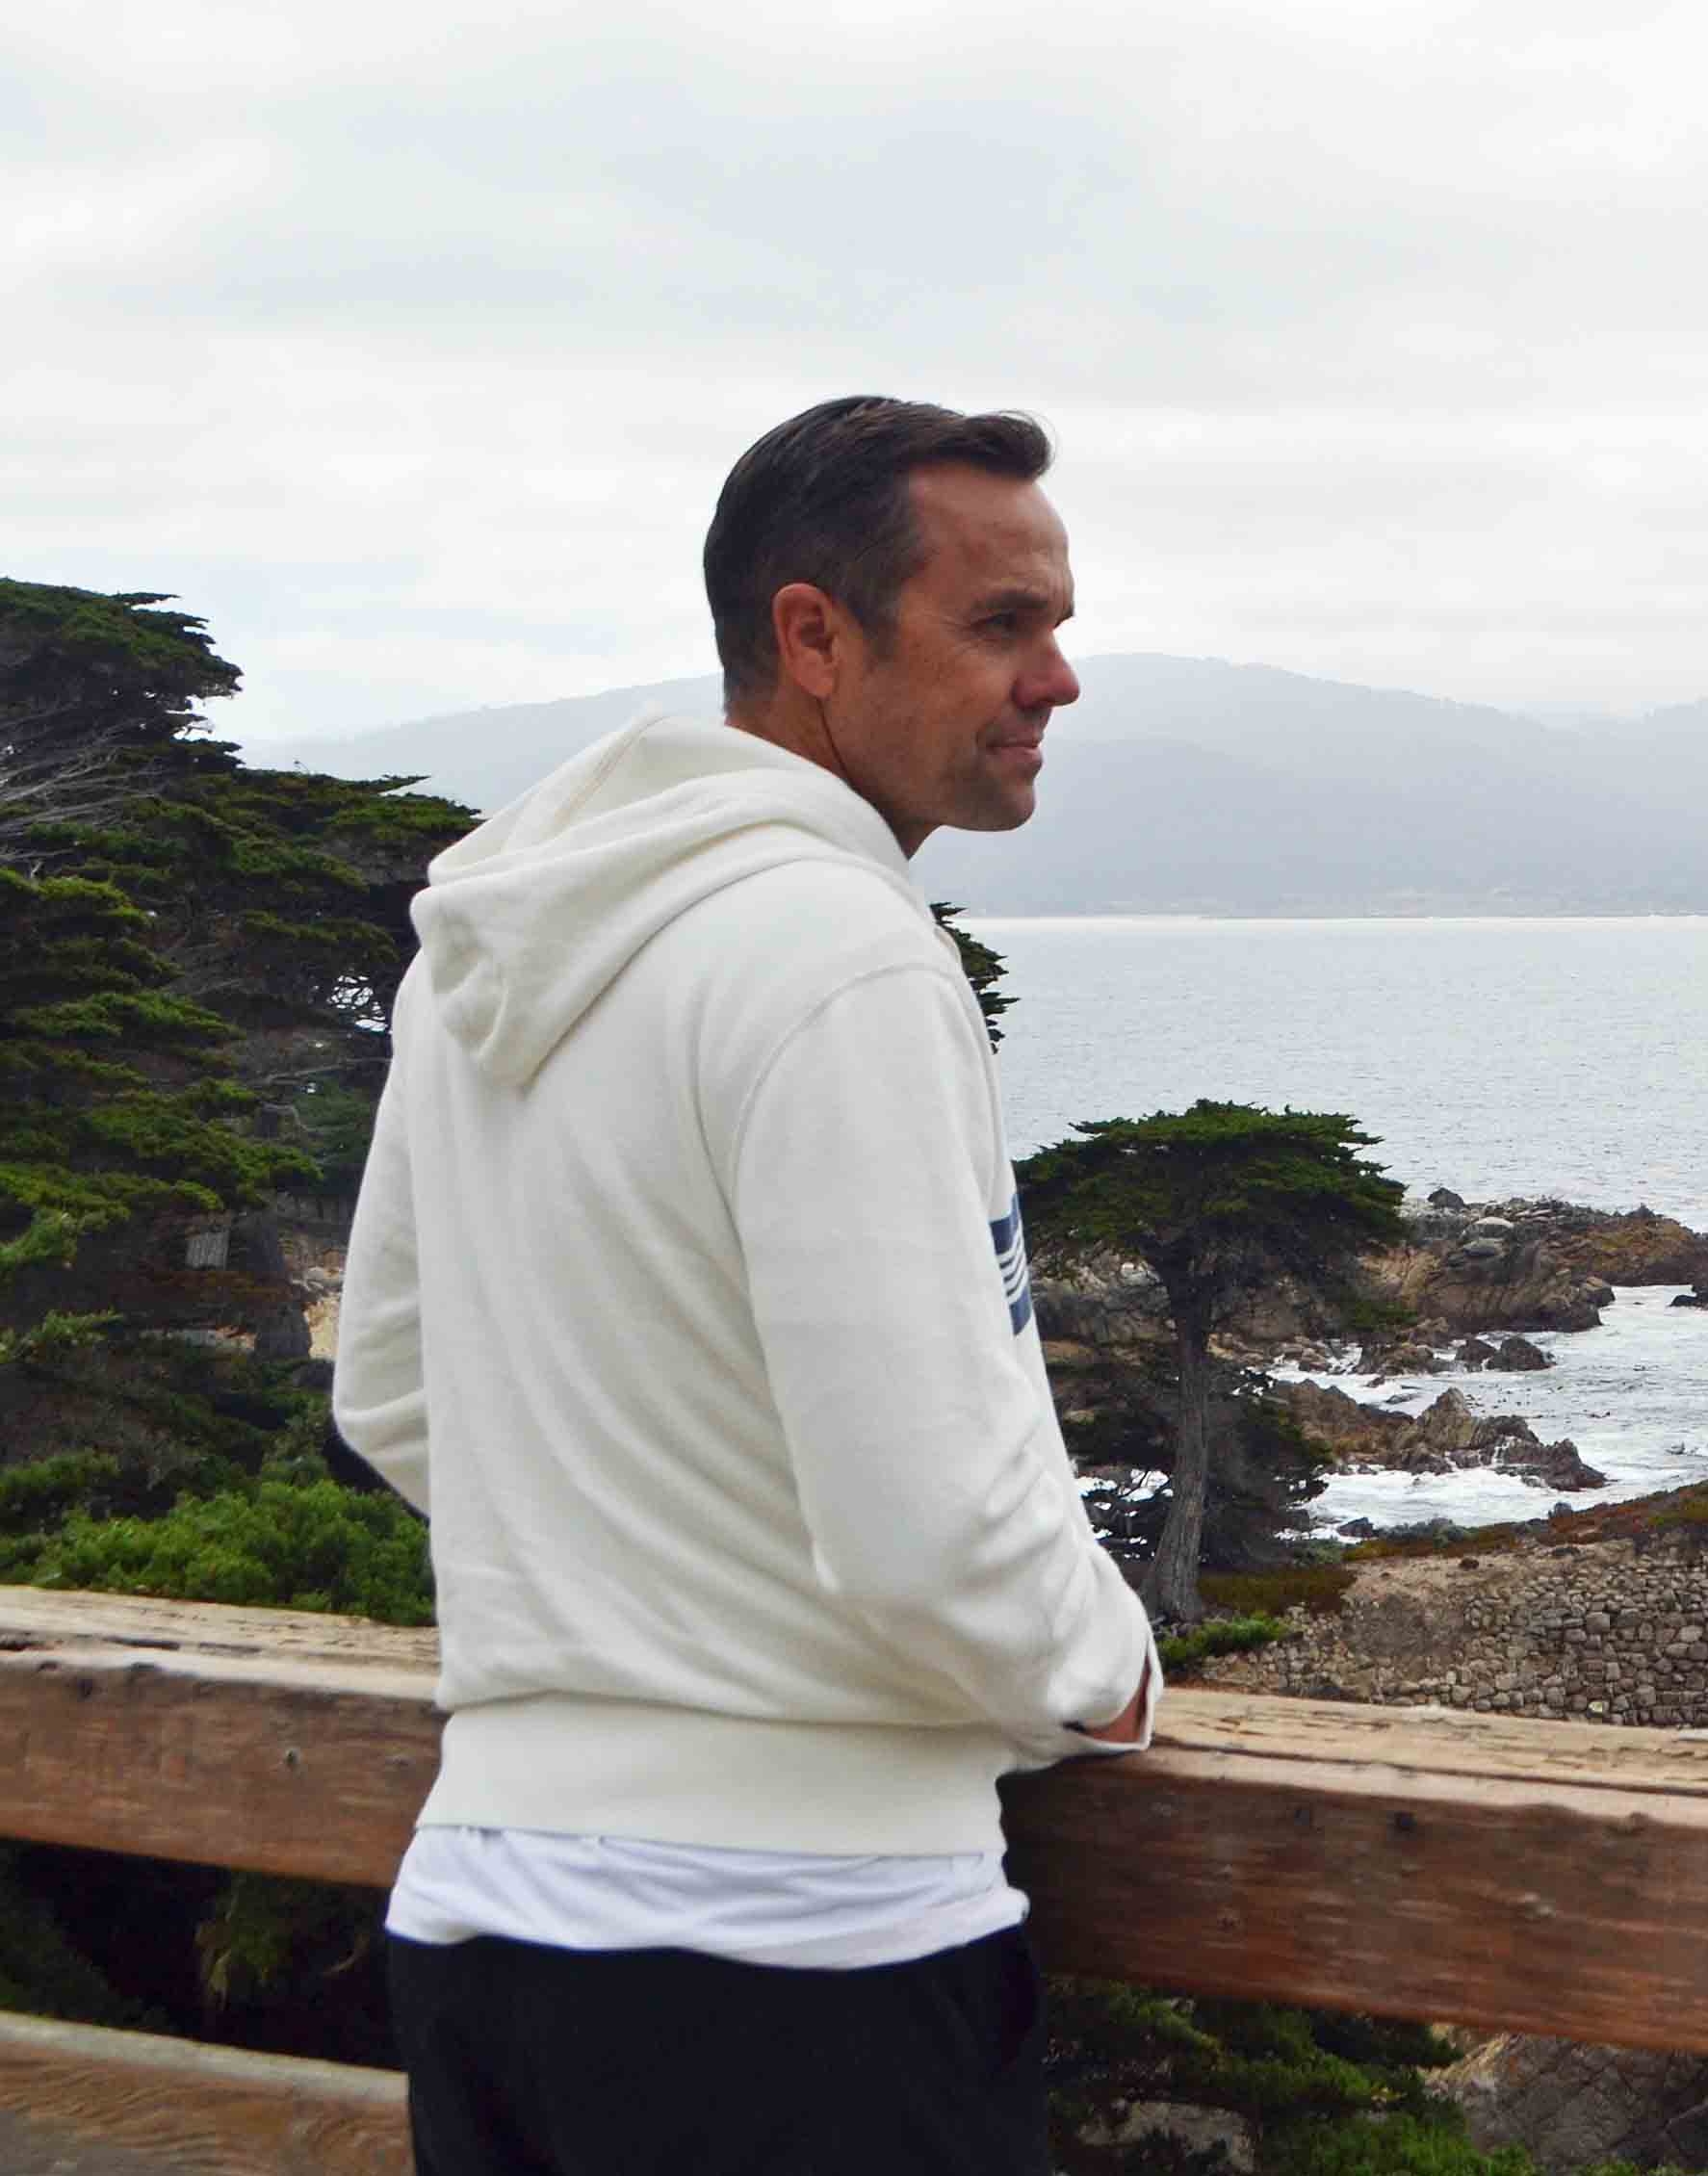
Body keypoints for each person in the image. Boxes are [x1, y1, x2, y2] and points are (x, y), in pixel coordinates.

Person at [333, 396, 1155, 2174]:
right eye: (1003, 625)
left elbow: (393, 1391)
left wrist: (638, 1584)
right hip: (804, 1964)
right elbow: (933, 1530)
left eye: (1060, 628)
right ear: (813, 638)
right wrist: (1110, 1671)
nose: (1059, 681)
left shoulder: (501, 941)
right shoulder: (844, 952)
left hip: (483, 1929)